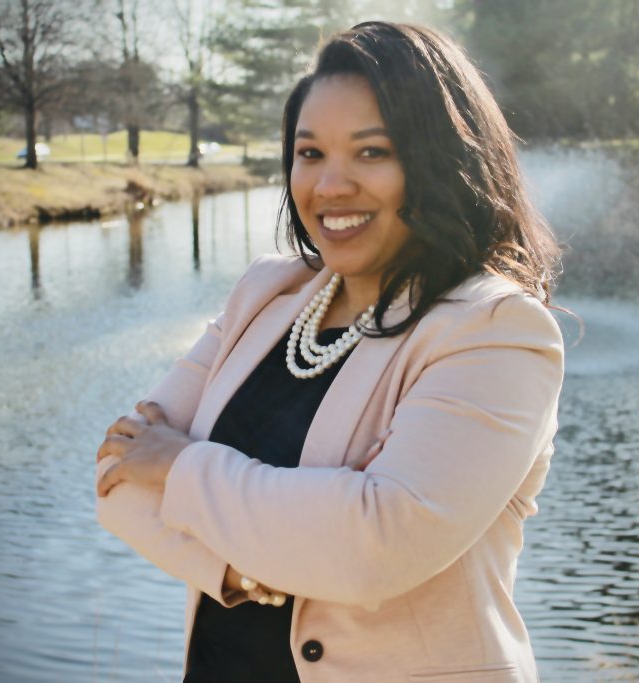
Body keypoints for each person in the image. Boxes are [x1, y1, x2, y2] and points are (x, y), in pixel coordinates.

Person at [95, 21, 564, 683]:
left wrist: (179, 471)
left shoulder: (495, 329)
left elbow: (376, 543)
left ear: (439, 162)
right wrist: (238, 564)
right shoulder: (266, 292)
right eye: (309, 153)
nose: (329, 185)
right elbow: (117, 476)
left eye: (371, 153)